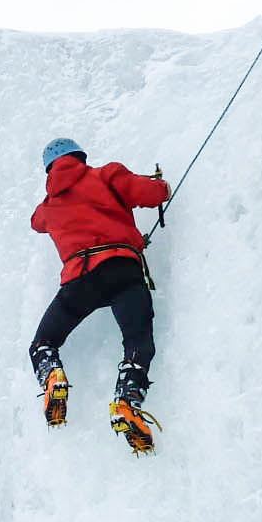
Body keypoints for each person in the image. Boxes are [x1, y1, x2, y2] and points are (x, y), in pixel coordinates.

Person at [27, 137, 172, 454]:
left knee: (43, 343)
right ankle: (127, 402)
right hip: (122, 269)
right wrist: (160, 187)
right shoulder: (106, 175)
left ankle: (53, 376)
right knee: (138, 341)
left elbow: (36, 222)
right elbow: (150, 194)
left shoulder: (48, 207)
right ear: (80, 157)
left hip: (80, 281)